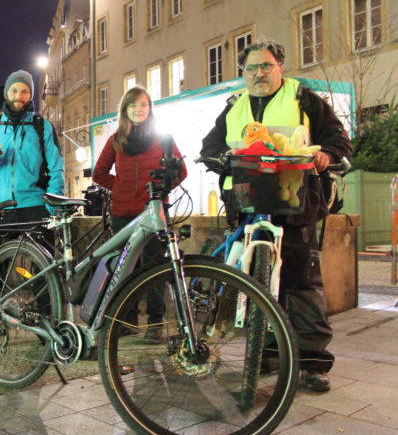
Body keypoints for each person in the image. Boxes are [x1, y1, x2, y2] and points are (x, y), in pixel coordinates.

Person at [200, 38, 352, 392]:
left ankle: (313, 363)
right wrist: (220, 156)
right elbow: (209, 148)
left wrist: (326, 155)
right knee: (257, 286)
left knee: (302, 285)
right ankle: (268, 351)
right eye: (251, 68)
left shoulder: (303, 99)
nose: (259, 73)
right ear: (243, 73)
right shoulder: (234, 108)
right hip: (248, 207)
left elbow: (337, 139)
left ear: (280, 67)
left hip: (295, 207)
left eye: (266, 66)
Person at [93, 85, 187, 343]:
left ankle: (156, 324)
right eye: (133, 105)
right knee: (125, 269)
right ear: (125, 110)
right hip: (123, 213)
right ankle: (128, 320)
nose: (138, 109)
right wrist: (121, 187)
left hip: (154, 212)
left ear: (150, 108)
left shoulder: (163, 138)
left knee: (154, 269)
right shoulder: (117, 140)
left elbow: (181, 170)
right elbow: (98, 174)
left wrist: (161, 190)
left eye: (143, 105)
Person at [0, 69, 64, 250]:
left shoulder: (41, 126)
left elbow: (56, 168)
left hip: (35, 207)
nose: (19, 96)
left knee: (42, 272)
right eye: (14, 90)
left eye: (24, 92)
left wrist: (51, 207)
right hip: (0, 210)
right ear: (6, 93)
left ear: (30, 96)